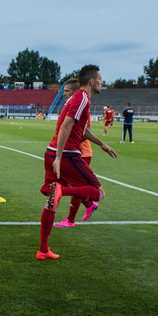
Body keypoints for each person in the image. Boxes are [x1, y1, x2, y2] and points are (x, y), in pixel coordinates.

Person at [39, 66, 116, 257]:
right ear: (92, 81)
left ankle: (43, 250)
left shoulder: (77, 99)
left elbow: (82, 130)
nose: (102, 82)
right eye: (100, 79)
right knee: (98, 193)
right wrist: (59, 157)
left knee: (51, 202)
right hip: (66, 155)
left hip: (51, 153)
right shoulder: (82, 98)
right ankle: (62, 191)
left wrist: (102, 144)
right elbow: (66, 126)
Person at [54, 78, 102, 228]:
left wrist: (102, 144)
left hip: (81, 152)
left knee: (76, 185)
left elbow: (84, 132)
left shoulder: (82, 105)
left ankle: (71, 219)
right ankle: (89, 204)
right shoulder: (72, 105)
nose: (64, 94)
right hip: (72, 152)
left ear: (76, 92)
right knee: (72, 184)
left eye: (67, 91)